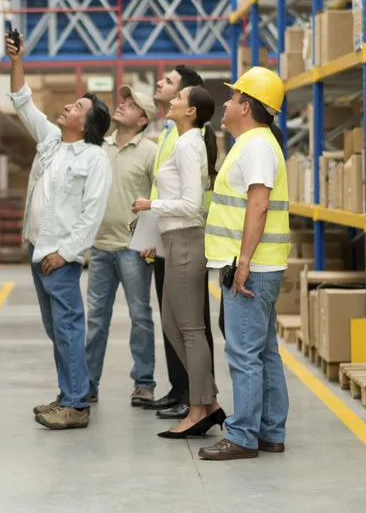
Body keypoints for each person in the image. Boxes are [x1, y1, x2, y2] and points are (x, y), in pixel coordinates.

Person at [6, 33, 112, 431]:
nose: (69, 106)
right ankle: (69, 394)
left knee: (68, 328)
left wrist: (65, 254)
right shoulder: (51, 142)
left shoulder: (95, 159)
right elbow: (22, 102)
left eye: (78, 106)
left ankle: (75, 405)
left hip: (59, 258)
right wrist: (17, 60)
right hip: (39, 252)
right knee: (57, 330)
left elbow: (92, 215)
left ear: (87, 124)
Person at [198, 66, 290, 461]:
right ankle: (269, 431)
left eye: (233, 97)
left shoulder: (255, 147)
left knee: (244, 354)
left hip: (251, 267)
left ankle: (243, 435)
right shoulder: (255, 143)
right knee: (264, 350)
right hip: (259, 264)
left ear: (247, 105)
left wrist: (244, 262)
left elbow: (259, 205)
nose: (226, 103)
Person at [133, 86, 226, 439]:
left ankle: (200, 408)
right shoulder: (183, 141)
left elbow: (191, 205)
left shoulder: (189, 145)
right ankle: (210, 402)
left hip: (187, 240)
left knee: (189, 329)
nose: (171, 101)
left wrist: (150, 205)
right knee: (173, 326)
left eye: (178, 98)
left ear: (191, 111)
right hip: (174, 241)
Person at [85, 85, 158, 407]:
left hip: (133, 247)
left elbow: (158, 198)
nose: (122, 105)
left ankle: (143, 382)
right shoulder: (99, 147)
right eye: (123, 100)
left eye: (131, 105)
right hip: (100, 247)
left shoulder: (151, 152)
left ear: (143, 120)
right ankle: (87, 384)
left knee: (140, 316)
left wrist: (151, 241)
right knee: (96, 319)